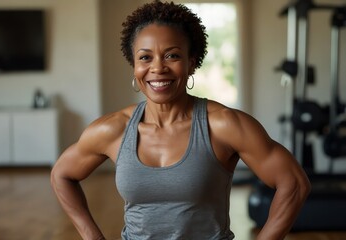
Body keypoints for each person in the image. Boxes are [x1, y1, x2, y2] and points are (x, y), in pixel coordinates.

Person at [50, 1, 311, 239]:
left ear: (191, 63)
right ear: (134, 66)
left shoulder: (223, 125)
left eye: (172, 55)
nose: (158, 67)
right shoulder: (113, 129)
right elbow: (62, 174)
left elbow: (294, 183)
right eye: (145, 57)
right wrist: (91, 236)